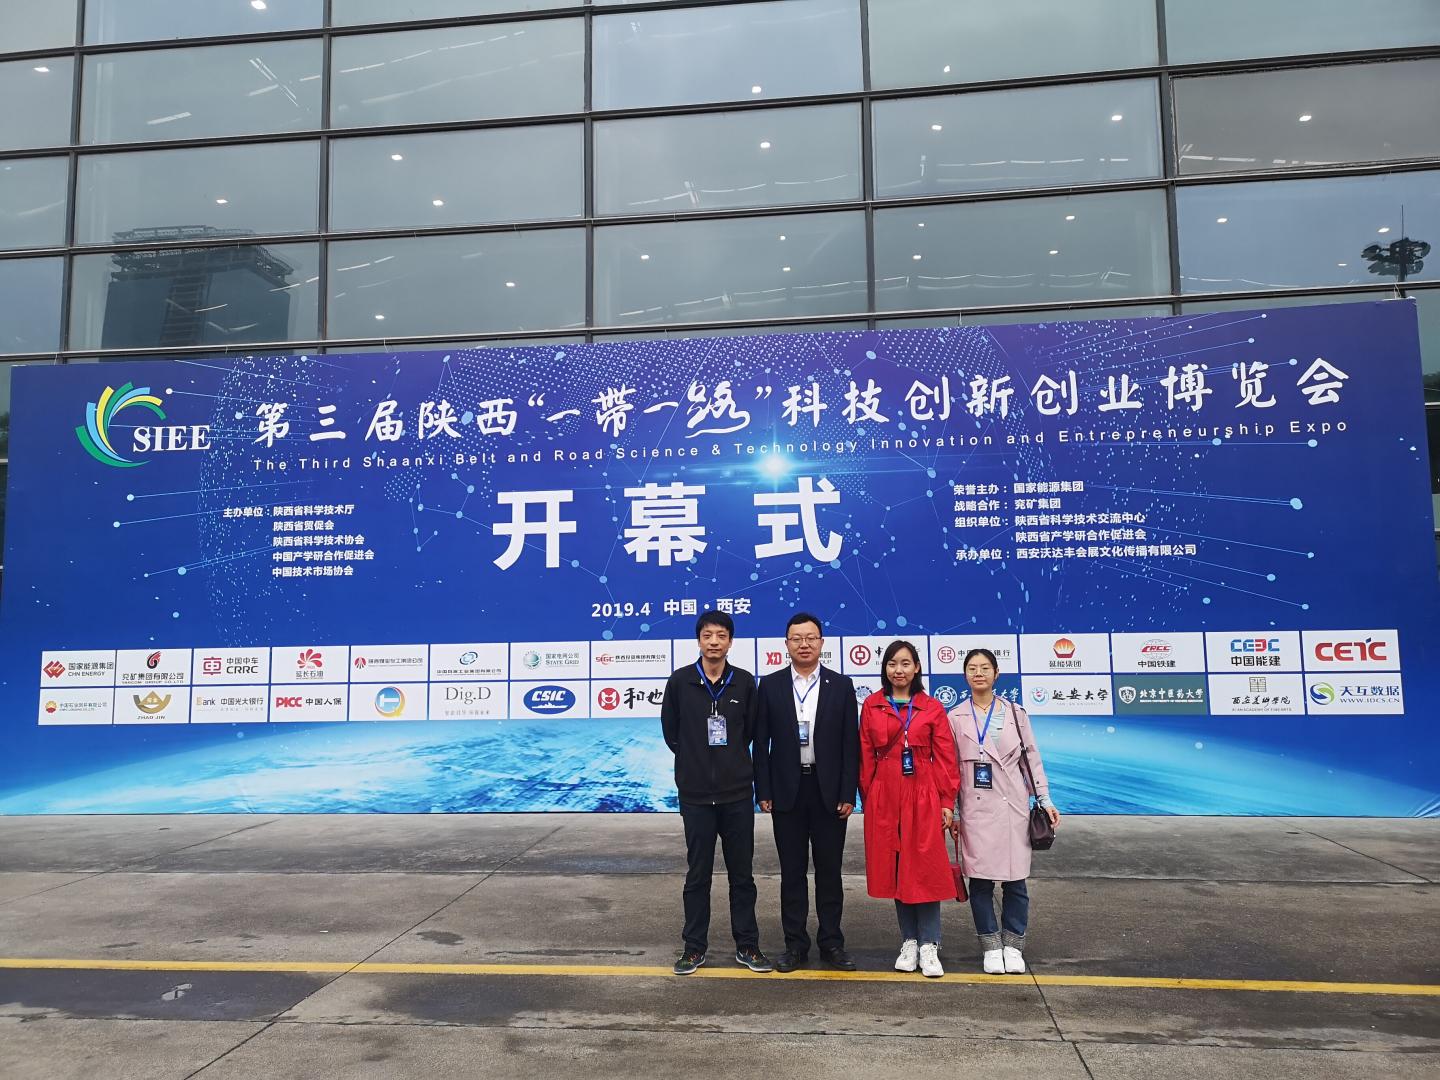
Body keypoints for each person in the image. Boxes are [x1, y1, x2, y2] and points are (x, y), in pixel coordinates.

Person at [660, 609, 773, 976]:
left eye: (721, 635)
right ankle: (694, 948)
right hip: (695, 797)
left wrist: (731, 764)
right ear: (698, 640)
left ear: (730, 641)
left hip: (736, 794)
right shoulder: (680, 682)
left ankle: (747, 945)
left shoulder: (744, 683)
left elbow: (751, 733)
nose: (714, 642)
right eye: (707, 635)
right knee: (698, 875)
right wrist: (694, 763)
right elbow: (671, 733)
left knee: (743, 876)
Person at [754, 612, 860, 972]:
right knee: (792, 872)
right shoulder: (770, 685)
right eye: (797, 638)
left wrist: (848, 792)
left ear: (821, 643)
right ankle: (795, 945)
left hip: (828, 791)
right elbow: (761, 743)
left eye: (811, 638)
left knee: (830, 871)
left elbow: (850, 744)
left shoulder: (840, 685)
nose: (804, 644)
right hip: (787, 790)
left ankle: (831, 943)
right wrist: (764, 789)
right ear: (786, 644)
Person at [946, 648, 1061, 975]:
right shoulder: (955, 717)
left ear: (996, 674)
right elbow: (950, 769)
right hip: (976, 809)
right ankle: (991, 946)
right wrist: (953, 811)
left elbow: (1031, 758)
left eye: (985, 668)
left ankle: (1013, 945)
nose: (978, 673)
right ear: (965, 675)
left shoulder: (1013, 712)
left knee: (1015, 881)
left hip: (1012, 807)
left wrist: (1045, 799)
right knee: (981, 882)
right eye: (972, 668)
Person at [859, 639, 958, 978]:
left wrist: (946, 801)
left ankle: (930, 944)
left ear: (916, 668)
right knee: (897, 867)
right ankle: (909, 941)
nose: (898, 670)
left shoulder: (931, 707)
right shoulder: (872, 705)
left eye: (905, 663)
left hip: (923, 793)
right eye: (892, 664)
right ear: (884, 668)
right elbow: (865, 754)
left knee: (924, 867)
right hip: (885, 794)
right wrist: (870, 797)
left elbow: (945, 757)